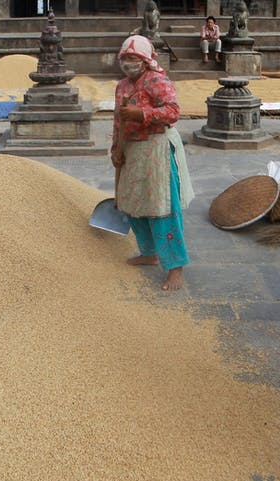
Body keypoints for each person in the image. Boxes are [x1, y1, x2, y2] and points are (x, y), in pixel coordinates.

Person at [111, 35, 194, 292]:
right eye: (124, 59)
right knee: (133, 204)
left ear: (146, 61)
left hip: (156, 149)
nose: (128, 64)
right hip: (132, 150)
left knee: (161, 208)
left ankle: (175, 267)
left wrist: (142, 113)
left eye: (133, 59)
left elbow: (173, 112)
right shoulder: (122, 86)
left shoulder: (157, 80)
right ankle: (149, 253)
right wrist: (116, 149)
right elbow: (118, 121)